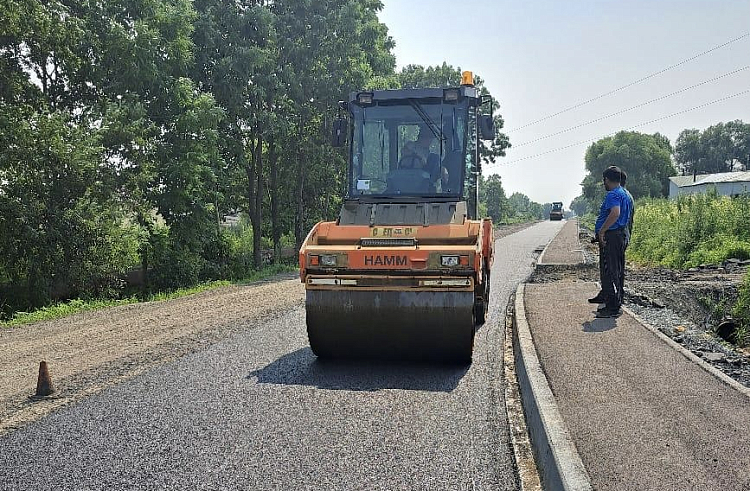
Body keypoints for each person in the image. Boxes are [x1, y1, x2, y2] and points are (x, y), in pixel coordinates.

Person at [590, 166, 633, 318]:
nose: (604, 184)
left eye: (604, 180)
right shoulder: (625, 194)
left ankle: (613, 307)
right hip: (619, 235)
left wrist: (602, 231)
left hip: (612, 236)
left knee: (609, 271)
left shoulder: (613, 195)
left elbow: (615, 213)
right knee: (616, 270)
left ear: (607, 180)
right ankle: (613, 299)